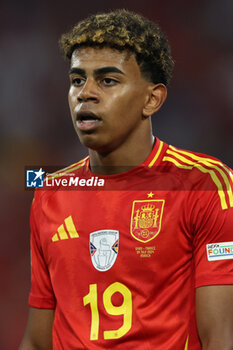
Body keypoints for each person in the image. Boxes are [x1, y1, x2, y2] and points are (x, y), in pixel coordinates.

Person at [19, 9, 233, 350]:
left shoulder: (204, 186)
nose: (85, 93)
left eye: (107, 80)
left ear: (152, 99)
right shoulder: (50, 193)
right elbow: (37, 339)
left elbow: (221, 338)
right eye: (77, 80)